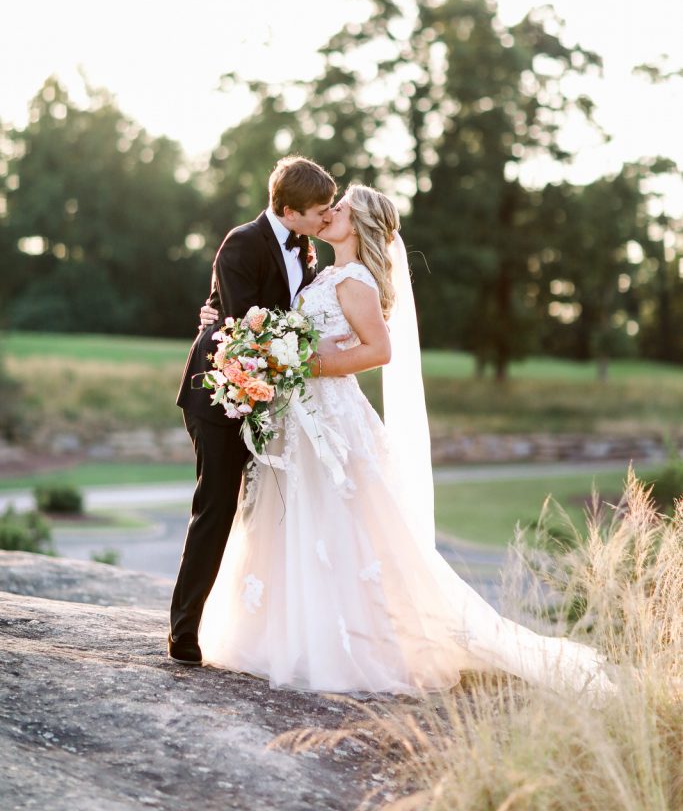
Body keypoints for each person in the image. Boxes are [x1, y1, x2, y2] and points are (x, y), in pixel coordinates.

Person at [195, 184, 617, 698]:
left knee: (338, 524)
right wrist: (219, 318)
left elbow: (379, 350)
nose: (330, 213)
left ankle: (347, 647)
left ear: (361, 224)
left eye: (341, 208)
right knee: (295, 522)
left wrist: (305, 363)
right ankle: (284, 635)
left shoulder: (355, 280)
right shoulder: (320, 271)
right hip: (299, 416)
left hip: (331, 414)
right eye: (327, 207)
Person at [168, 156, 336, 665]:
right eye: (319, 211)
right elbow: (240, 326)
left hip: (266, 397)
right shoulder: (242, 241)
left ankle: (254, 630)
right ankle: (184, 631)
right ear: (288, 210)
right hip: (218, 394)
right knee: (215, 508)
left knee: (263, 512)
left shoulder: (304, 248)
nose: (327, 218)